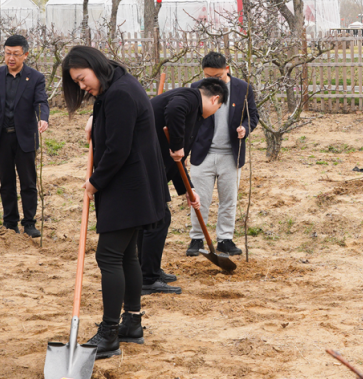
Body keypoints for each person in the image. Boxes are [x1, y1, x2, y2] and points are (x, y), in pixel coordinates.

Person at [62, 46, 173, 359]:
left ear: (95, 66)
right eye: (76, 82)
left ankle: (109, 333)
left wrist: (95, 182)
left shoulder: (119, 94)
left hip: (127, 189)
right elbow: (117, 125)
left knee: (109, 256)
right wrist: (95, 121)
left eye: (82, 78)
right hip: (136, 187)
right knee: (126, 255)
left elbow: (117, 149)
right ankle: (132, 323)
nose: (82, 86)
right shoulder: (120, 83)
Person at [146, 79, 228, 293]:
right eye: (218, 108)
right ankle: (147, 277)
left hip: (152, 167)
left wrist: (189, 191)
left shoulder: (195, 115)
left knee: (158, 219)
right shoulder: (190, 98)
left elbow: (178, 161)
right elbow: (174, 110)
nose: (215, 112)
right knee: (157, 220)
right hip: (144, 166)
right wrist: (177, 144)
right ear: (215, 99)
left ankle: (149, 272)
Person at [187, 52, 259, 257]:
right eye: (208, 76)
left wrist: (245, 128)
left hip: (231, 154)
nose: (212, 81)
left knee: (229, 199)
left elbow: (253, 115)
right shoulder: (196, 88)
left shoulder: (243, 88)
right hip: (203, 152)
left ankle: (225, 239)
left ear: (227, 69)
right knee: (199, 199)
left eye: (217, 76)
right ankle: (197, 238)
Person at [0, 34, 49, 237]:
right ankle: (10, 223)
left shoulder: (35, 77)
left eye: (16, 54)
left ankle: (29, 223)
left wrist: (43, 118)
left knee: (28, 182)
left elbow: (41, 101)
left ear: (25, 55)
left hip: (25, 137)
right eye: (8, 53)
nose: (11, 58)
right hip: (1, 138)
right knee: (6, 183)